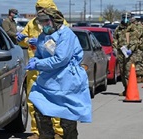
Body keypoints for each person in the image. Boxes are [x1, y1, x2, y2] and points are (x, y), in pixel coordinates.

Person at [26, 8, 92, 139]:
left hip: (66, 80)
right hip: (47, 81)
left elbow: (60, 59)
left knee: (67, 119)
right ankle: (46, 136)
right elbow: (40, 54)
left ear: (55, 21)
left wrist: (38, 64)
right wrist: (35, 59)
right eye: (41, 22)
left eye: (46, 21)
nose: (43, 25)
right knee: (39, 109)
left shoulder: (66, 35)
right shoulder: (43, 36)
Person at [16, 1, 69, 139]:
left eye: (41, 8)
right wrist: (23, 39)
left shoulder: (61, 23)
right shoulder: (32, 23)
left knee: (55, 100)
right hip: (35, 68)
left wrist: (39, 42)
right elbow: (23, 39)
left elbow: (61, 45)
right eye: (37, 9)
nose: (38, 11)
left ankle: (58, 131)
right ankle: (37, 132)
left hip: (53, 69)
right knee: (34, 102)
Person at [113, 12, 135, 96]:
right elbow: (115, 38)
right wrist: (115, 47)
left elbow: (135, 40)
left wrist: (131, 49)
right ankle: (126, 89)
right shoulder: (118, 29)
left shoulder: (132, 28)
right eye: (124, 18)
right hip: (121, 52)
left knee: (128, 72)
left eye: (127, 18)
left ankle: (131, 89)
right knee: (122, 72)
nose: (125, 19)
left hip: (129, 53)